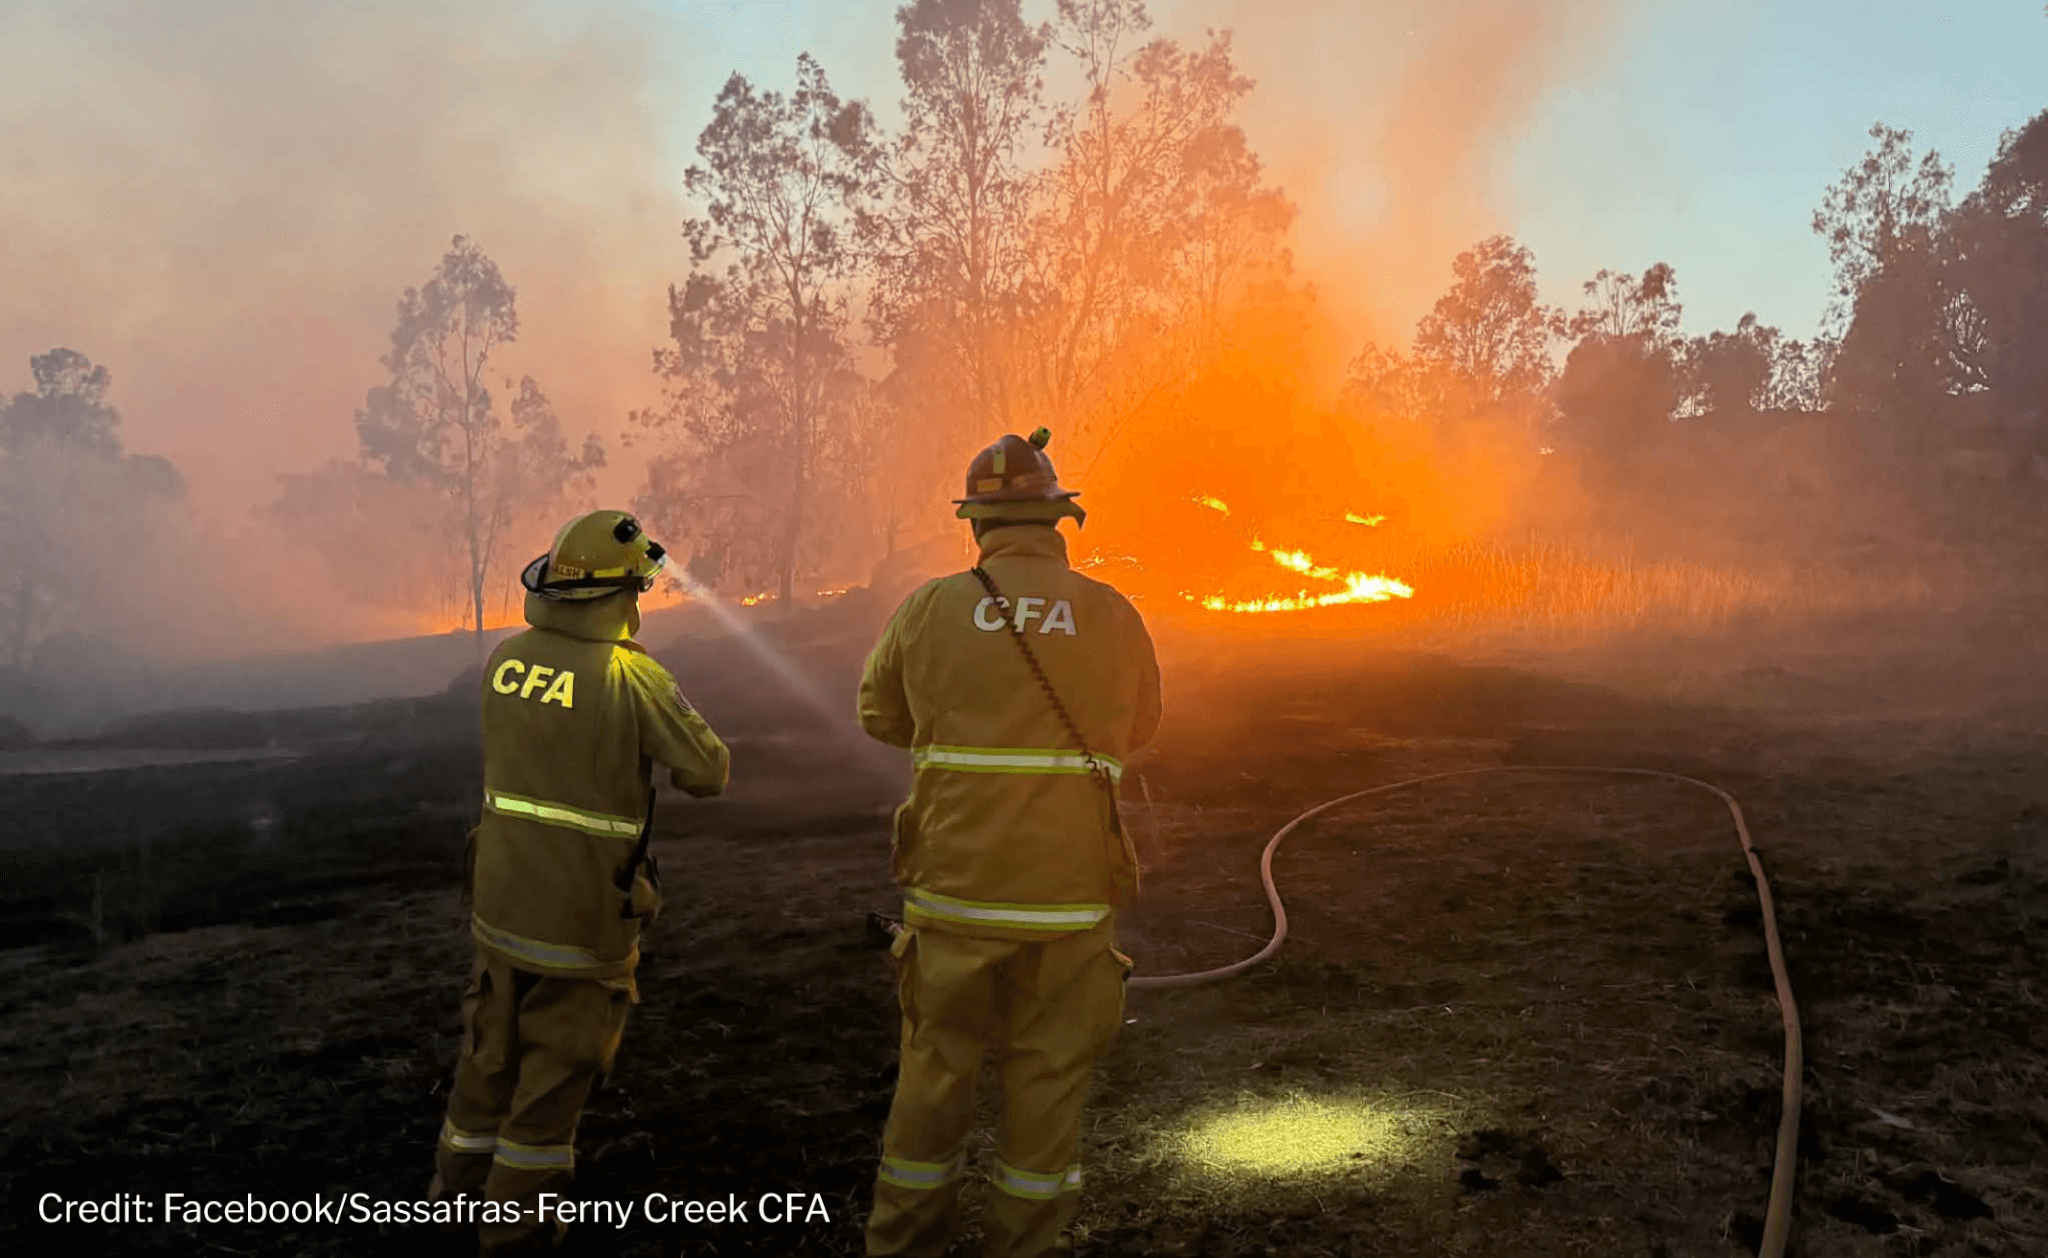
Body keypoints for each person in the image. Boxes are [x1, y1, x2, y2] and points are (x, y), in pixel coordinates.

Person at [857, 428, 1163, 1258]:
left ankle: (903, 1245)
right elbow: (1139, 728)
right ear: (1058, 517)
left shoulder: (927, 608)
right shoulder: (1112, 613)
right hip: (1069, 903)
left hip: (952, 897)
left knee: (931, 1082)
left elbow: (879, 715)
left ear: (976, 526)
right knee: (1047, 1092)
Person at [431, 509, 730, 1255]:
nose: (641, 604)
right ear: (615, 595)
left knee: (484, 1066)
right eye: (637, 590)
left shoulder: (505, 659)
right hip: (580, 922)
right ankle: (515, 1236)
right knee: (547, 1092)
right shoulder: (632, 677)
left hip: (499, 903)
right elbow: (709, 771)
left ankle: (449, 1208)